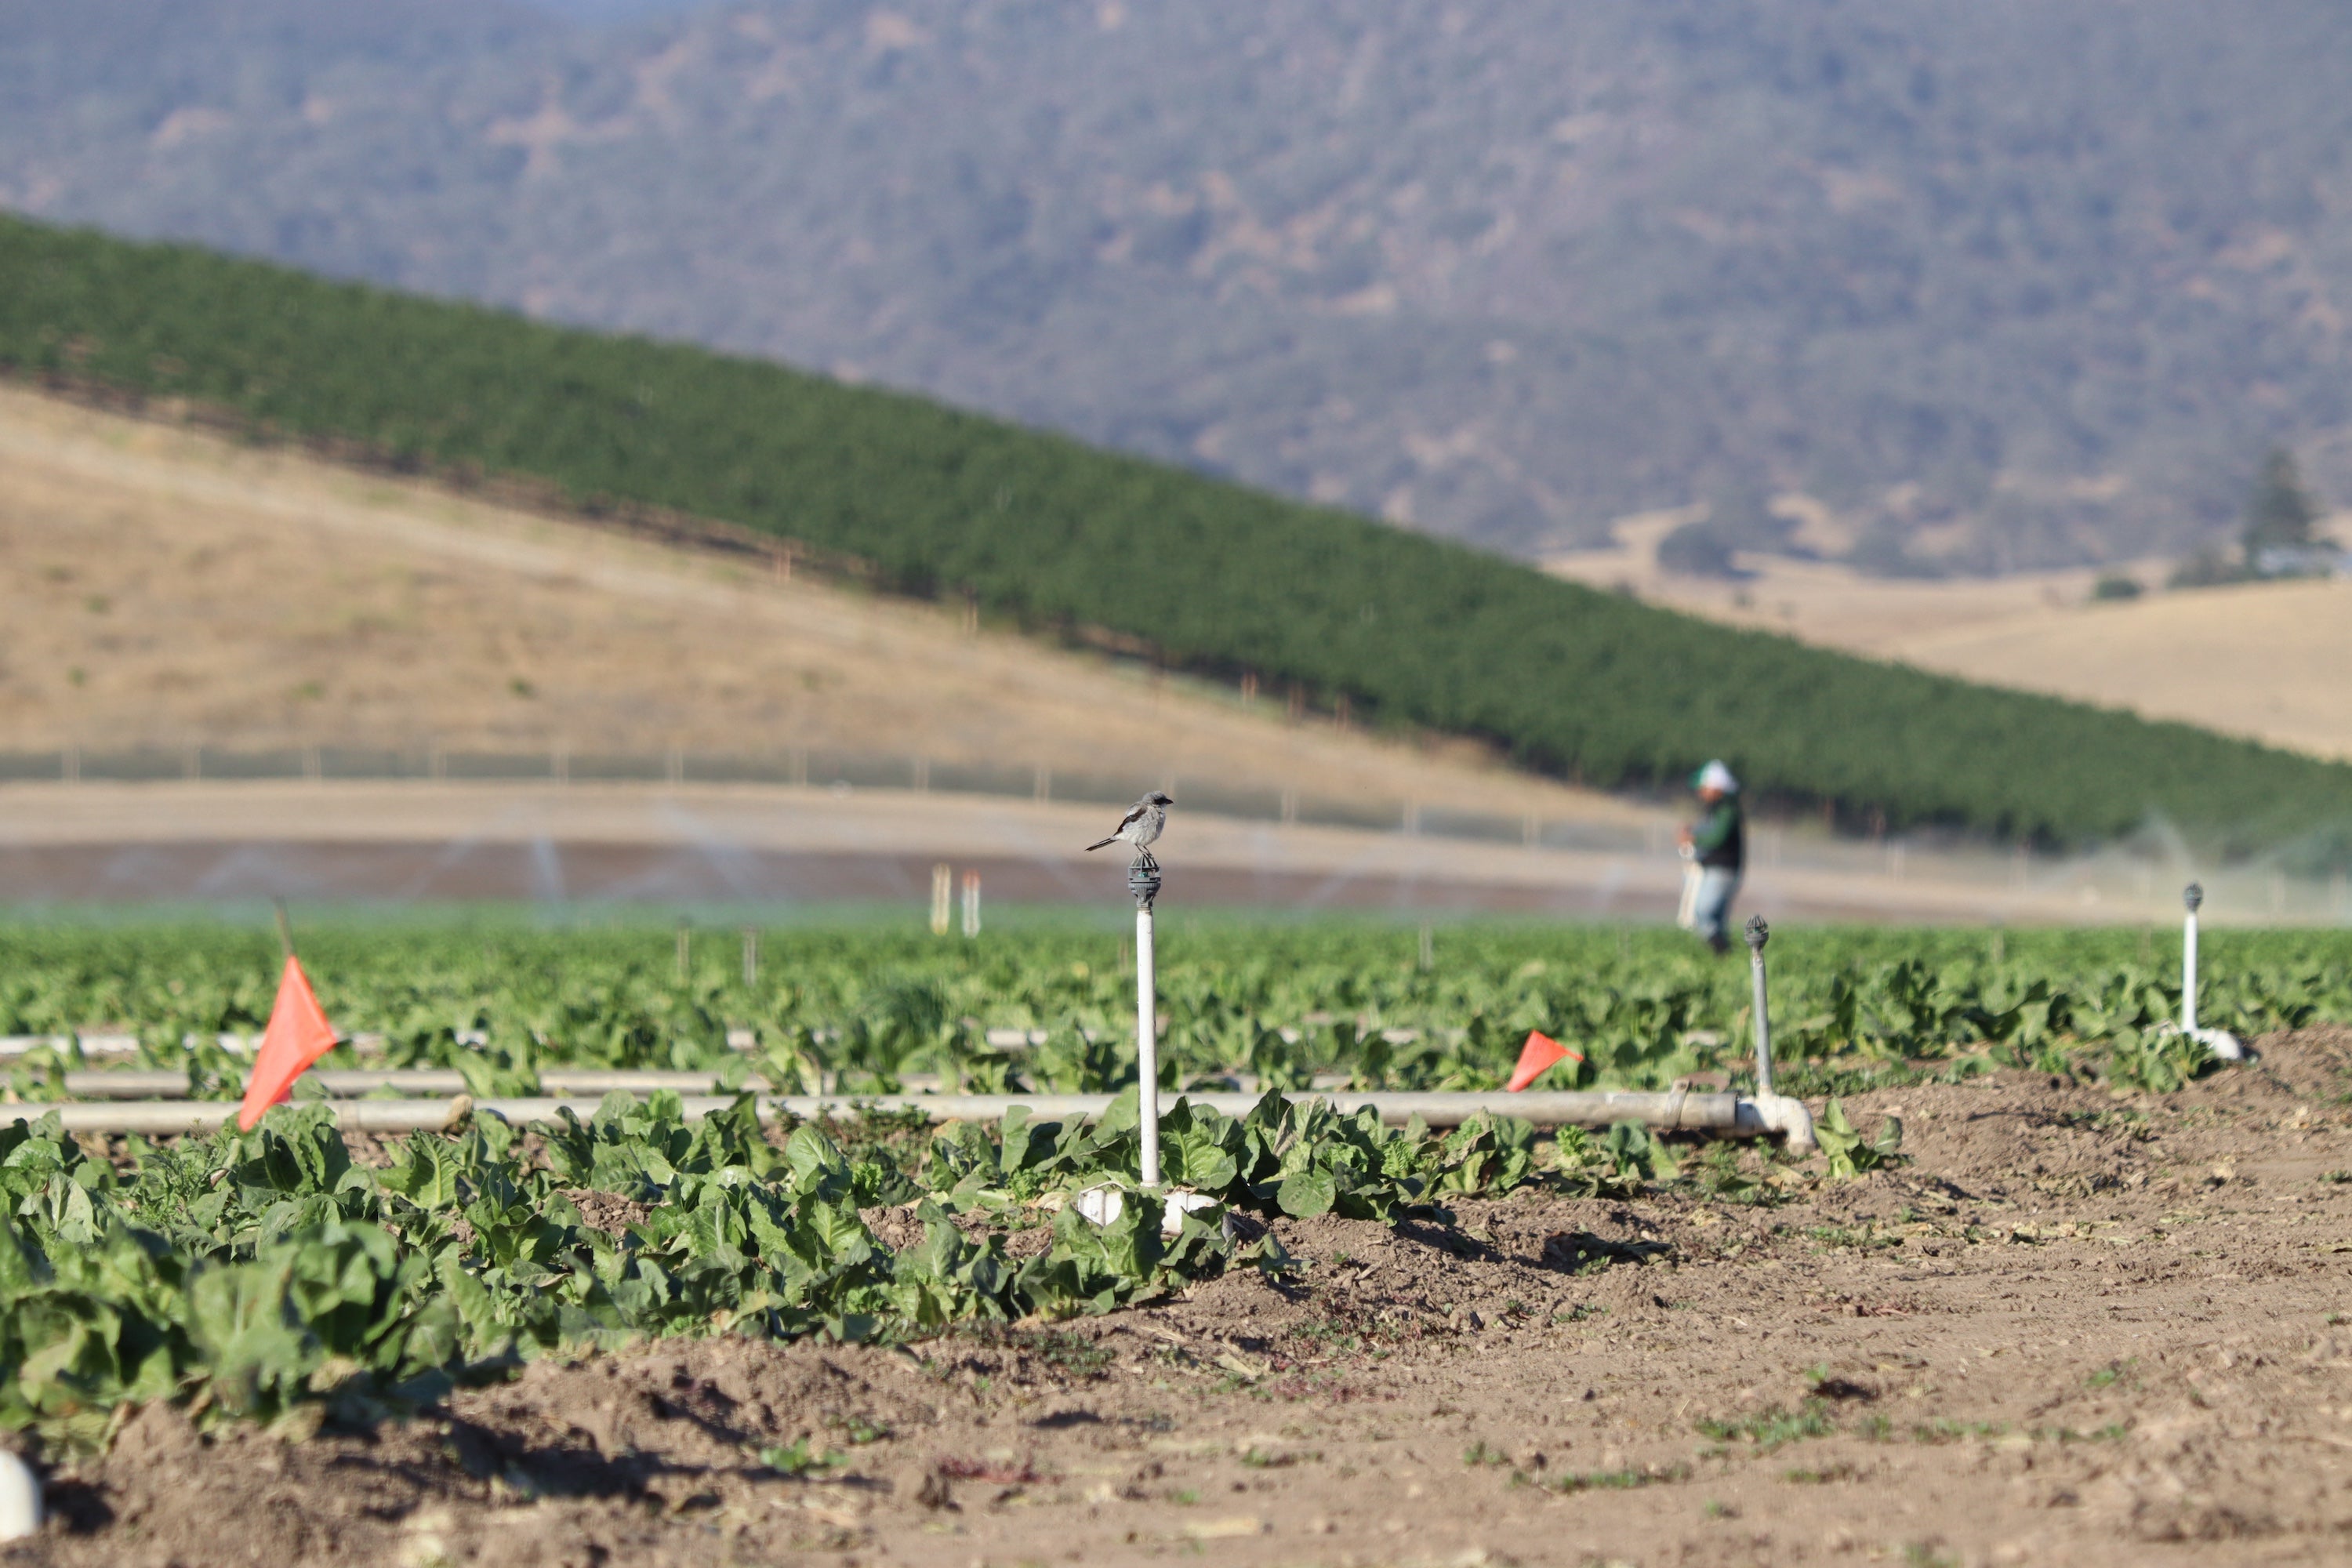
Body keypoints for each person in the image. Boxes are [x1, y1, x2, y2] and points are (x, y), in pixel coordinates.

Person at [1677, 760, 1743, 954]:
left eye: (1704, 787)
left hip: (1723, 869)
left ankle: (1723, 954)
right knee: (1715, 920)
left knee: (1704, 913)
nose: (1701, 792)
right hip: (1713, 868)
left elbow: (1717, 837)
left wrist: (1693, 837)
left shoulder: (1727, 810)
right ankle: (1722, 956)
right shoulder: (1717, 809)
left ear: (1716, 787)